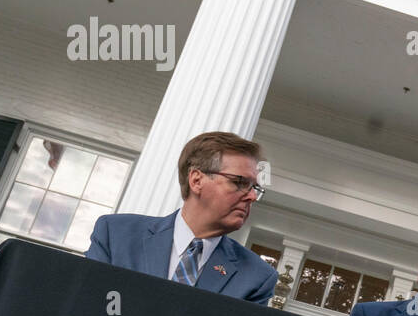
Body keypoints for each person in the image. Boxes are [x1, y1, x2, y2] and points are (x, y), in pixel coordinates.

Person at [85, 131, 277, 305]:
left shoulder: (257, 278)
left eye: (255, 188)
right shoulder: (116, 234)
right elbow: (88, 306)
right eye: (239, 182)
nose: (251, 196)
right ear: (196, 180)